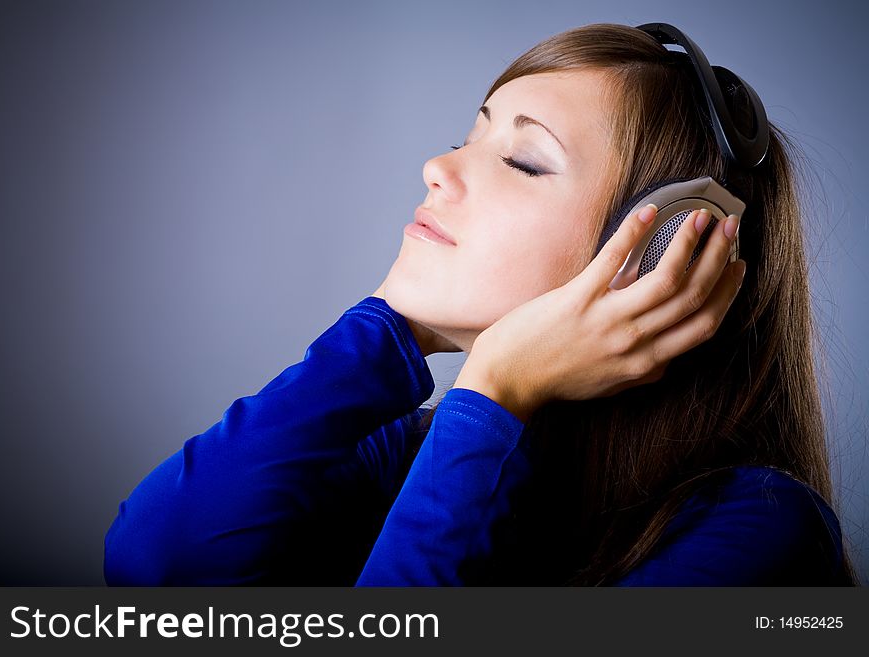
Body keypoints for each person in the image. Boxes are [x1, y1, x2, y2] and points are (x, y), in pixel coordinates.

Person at [104, 22, 859, 586]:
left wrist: (495, 384)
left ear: (657, 256)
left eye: (524, 160)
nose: (437, 167)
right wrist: (394, 330)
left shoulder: (760, 534)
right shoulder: (419, 450)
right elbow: (155, 565)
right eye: (469, 134)